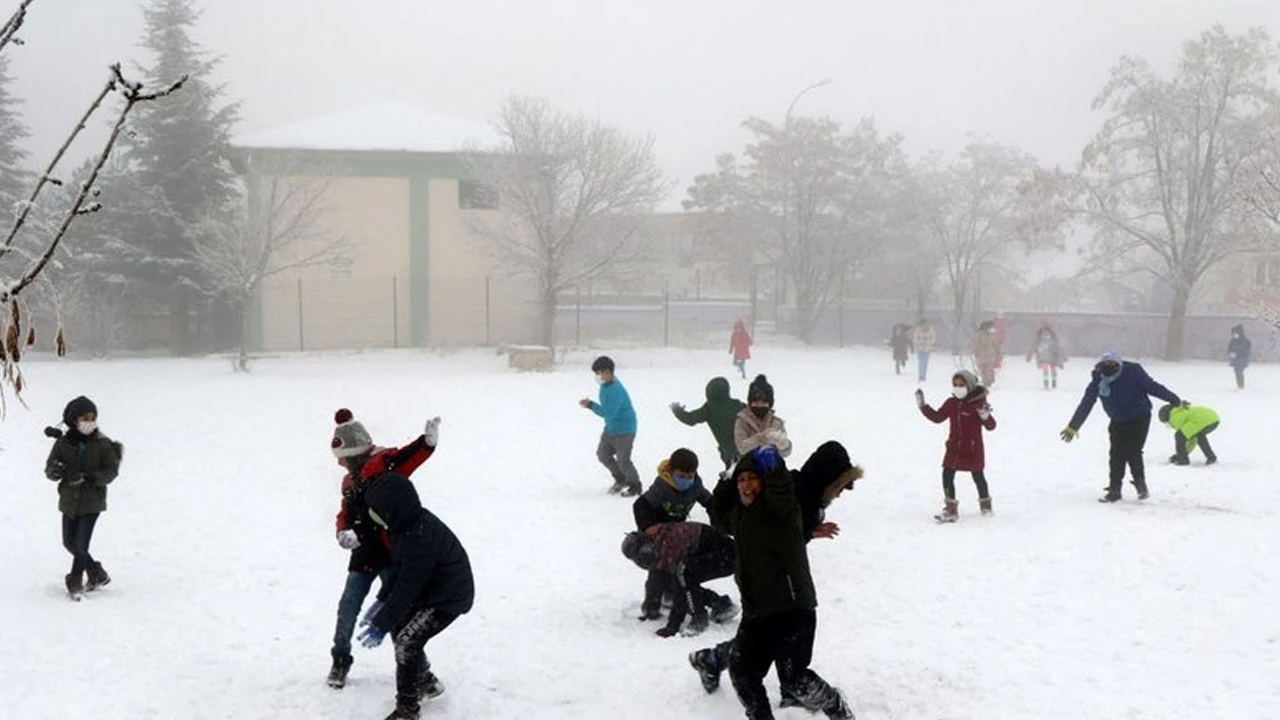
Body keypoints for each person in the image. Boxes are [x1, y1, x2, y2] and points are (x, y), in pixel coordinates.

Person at [688, 441, 862, 711]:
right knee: (746, 667)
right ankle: (715, 660)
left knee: (786, 669)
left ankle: (827, 704)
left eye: (752, 478)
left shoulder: (788, 498)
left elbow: (784, 524)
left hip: (788, 602)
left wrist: (809, 529)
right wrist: (731, 476)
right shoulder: (772, 500)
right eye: (742, 480)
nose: (747, 485)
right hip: (760, 603)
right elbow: (727, 516)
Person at [328, 409, 441, 690]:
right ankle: (340, 659)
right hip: (364, 556)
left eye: (342, 457)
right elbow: (345, 512)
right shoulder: (349, 481)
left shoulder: (384, 464)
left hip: (393, 555)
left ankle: (421, 673)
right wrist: (343, 531)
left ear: (353, 453)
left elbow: (408, 456)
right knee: (347, 608)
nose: (339, 463)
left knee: (397, 615)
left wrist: (425, 443)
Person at [356, 473, 474, 720]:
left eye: (376, 510)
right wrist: (382, 600)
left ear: (391, 510)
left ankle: (407, 710)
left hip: (448, 598)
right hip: (430, 590)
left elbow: (407, 588)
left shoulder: (419, 537)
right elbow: (399, 572)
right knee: (400, 629)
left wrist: (382, 620)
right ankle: (425, 682)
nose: (372, 514)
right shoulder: (405, 526)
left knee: (407, 642)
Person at [1060, 351, 1182, 502]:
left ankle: (1140, 484)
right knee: (1116, 453)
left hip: (1140, 416)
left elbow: (1152, 387)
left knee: (1133, 450)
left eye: (1113, 365)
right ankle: (1114, 490)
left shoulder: (1133, 372)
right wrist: (1073, 426)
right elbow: (1087, 403)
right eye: (1106, 365)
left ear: (1119, 365)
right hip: (1118, 420)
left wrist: (1174, 399)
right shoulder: (1098, 380)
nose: (1109, 367)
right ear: (1101, 366)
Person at [43, 396, 123, 601]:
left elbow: (111, 471)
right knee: (69, 543)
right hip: (69, 500)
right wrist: (55, 471)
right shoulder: (62, 444)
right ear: (73, 420)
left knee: (80, 545)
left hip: (92, 501)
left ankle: (75, 581)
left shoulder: (103, 444)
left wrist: (91, 478)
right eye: (84, 418)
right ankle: (97, 573)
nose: (89, 422)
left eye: (92, 418)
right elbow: (50, 469)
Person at [632, 448, 713, 621]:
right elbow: (640, 505)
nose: (686, 480)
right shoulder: (662, 486)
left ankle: (670, 594)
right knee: (658, 568)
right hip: (659, 534)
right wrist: (648, 527)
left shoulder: (695, 486)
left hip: (678, 535)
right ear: (672, 472)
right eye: (681, 476)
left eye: (689, 476)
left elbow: (710, 502)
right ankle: (651, 606)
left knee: (678, 569)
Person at [621, 521, 737, 638]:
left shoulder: (671, 543)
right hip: (715, 554)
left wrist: (672, 626)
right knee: (676, 577)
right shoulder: (657, 540)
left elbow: (680, 584)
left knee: (684, 574)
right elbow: (656, 576)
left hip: (728, 556)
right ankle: (720, 603)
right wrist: (651, 607)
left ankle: (698, 618)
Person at [915, 371, 996, 522]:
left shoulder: (978, 404)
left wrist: (986, 416)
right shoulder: (951, 403)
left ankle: (986, 505)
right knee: (947, 474)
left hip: (973, 448)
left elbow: (991, 426)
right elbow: (938, 417)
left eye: (961, 385)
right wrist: (923, 407)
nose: (958, 388)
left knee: (978, 476)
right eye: (955, 385)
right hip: (954, 447)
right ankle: (951, 509)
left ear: (969, 386)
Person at [579, 355, 641, 496]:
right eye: (596, 373)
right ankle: (621, 478)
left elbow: (609, 413)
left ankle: (635, 485)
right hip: (611, 428)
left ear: (607, 372)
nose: (597, 376)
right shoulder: (605, 386)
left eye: (599, 373)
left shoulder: (615, 389)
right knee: (603, 454)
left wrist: (591, 405)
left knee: (623, 460)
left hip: (625, 430)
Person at [670, 377, 746, 472]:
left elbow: (690, 419)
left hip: (730, 453)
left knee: (735, 477)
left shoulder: (709, 408)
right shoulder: (737, 404)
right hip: (747, 448)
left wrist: (678, 412)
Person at [735, 375, 792, 458]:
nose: (760, 405)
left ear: (770, 404)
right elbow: (742, 448)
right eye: (756, 402)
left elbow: (784, 453)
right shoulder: (742, 421)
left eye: (764, 402)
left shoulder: (776, 422)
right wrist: (762, 437)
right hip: (748, 465)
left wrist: (784, 445)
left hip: (771, 466)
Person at [1026, 322, 1064, 389]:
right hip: (1045, 357)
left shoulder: (1050, 339)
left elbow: (1058, 348)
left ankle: (1053, 381)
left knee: (1051, 369)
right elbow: (1034, 347)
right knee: (1046, 369)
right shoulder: (1041, 339)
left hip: (1051, 357)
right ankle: (1048, 382)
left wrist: (1061, 357)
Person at [972, 321, 1002, 388]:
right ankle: (985, 382)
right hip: (981, 355)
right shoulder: (979, 335)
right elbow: (976, 344)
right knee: (983, 370)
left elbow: (995, 344)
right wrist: (975, 352)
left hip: (990, 355)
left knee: (988, 369)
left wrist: (999, 352)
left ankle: (989, 381)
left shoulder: (992, 336)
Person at [1228, 324, 1251, 390]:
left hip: (1242, 358)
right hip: (1235, 359)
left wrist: (1237, 353)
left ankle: (1241, 386)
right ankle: (1239, 385)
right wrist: (1230, 353)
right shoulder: (1232, 340)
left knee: (1239, 371)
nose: (1234, 334)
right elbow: (1229, 348)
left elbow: (1246, 350)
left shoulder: (1245, 341)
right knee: (1236, 371)